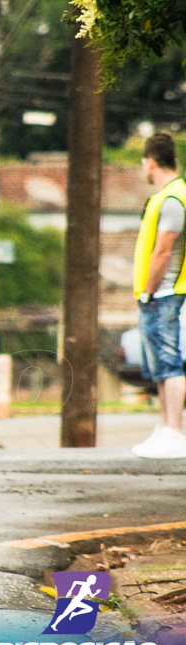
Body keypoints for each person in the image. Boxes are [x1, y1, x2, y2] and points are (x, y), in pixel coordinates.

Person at [132, 133, 186, 459]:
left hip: (164, 292)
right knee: (160, 368)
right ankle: (167, 427)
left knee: (169, 364)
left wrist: (148, 292)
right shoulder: (167, 196)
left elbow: (163, 251)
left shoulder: (173, 199)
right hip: (158, 293)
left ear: (150, 161)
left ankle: (175, 431)